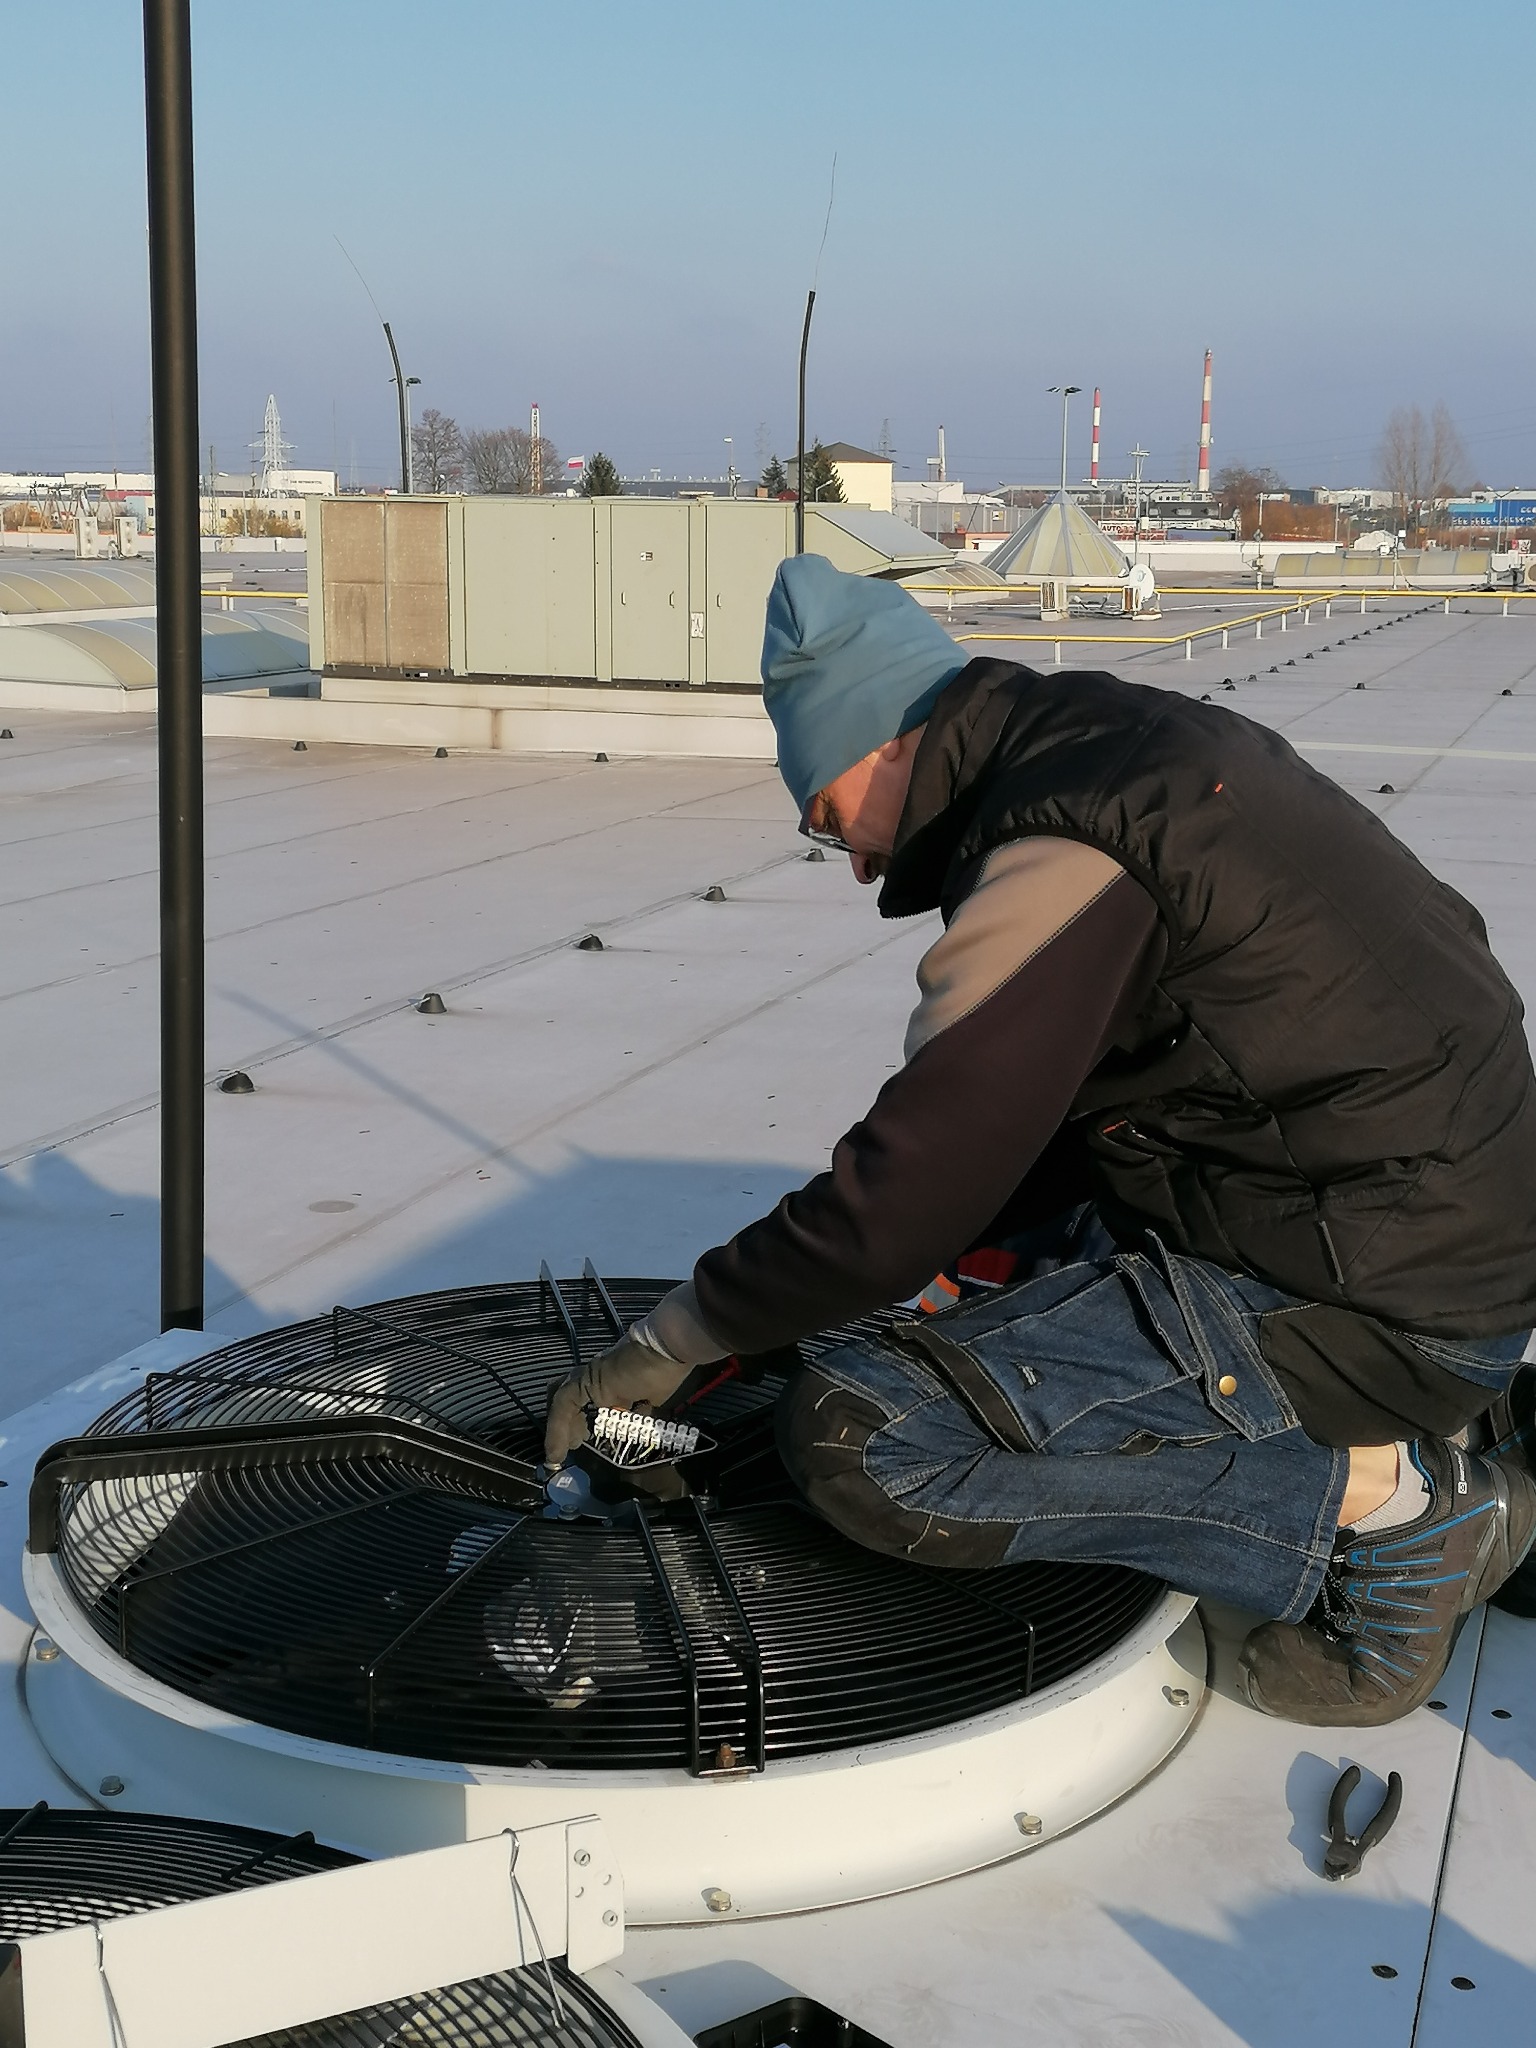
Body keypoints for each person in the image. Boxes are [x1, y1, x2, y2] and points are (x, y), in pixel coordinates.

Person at [546, 554, 1536, 1728]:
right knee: (987, 1281)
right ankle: (1446, 1419)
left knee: (863, 1437)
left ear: (880, 740)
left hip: (1376, 1292)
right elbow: (1045, 1126)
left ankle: (1392, 1507)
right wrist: (836, 1284)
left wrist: (681, 1332)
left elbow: (918, 1176)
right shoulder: (1105, 750)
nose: (857, 862)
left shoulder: (1061, 842)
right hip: (1438, 1232)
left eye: (826, 819)